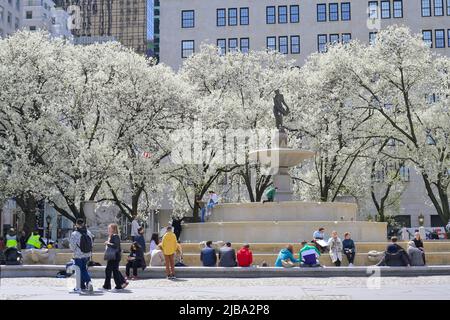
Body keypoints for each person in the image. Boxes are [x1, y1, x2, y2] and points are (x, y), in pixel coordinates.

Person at [69, 218, 94, 292]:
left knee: (79, 271)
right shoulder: (88, 232)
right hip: (87, 255)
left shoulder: (74, 234)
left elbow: (72, 246)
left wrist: (73, 249)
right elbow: (92, 244)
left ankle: (88, 282)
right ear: (83, 224)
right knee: (84, 269)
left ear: (76, 224)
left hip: (78, 255)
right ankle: (82, 285)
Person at [103, 223, 129, 291]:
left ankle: (117, 286)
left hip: (114, 256)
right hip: (113, 256)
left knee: (112, 271)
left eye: (109, 228)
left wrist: (107, 243)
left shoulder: (115, 236)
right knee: (112, 271)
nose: (108, 229)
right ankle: (109, 285)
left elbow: (116, 246)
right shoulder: (112, 236)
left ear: (113, 229)